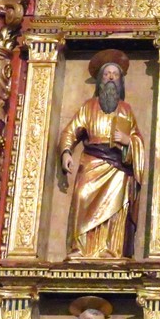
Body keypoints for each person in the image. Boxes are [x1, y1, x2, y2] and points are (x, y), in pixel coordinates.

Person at [58, 49, 145, 259]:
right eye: (107, 74)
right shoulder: (88, 107)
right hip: (91, 162)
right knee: (82, 197)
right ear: (100, 80)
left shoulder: (126, 109)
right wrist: (66, 152)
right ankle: (80, 248)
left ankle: (111, 249)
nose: (111, 78)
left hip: (117, 166)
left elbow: (138, 140)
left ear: (120, 81)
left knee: (116, 207)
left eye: (115, 74)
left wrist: (128, 141)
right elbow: (70, 131)